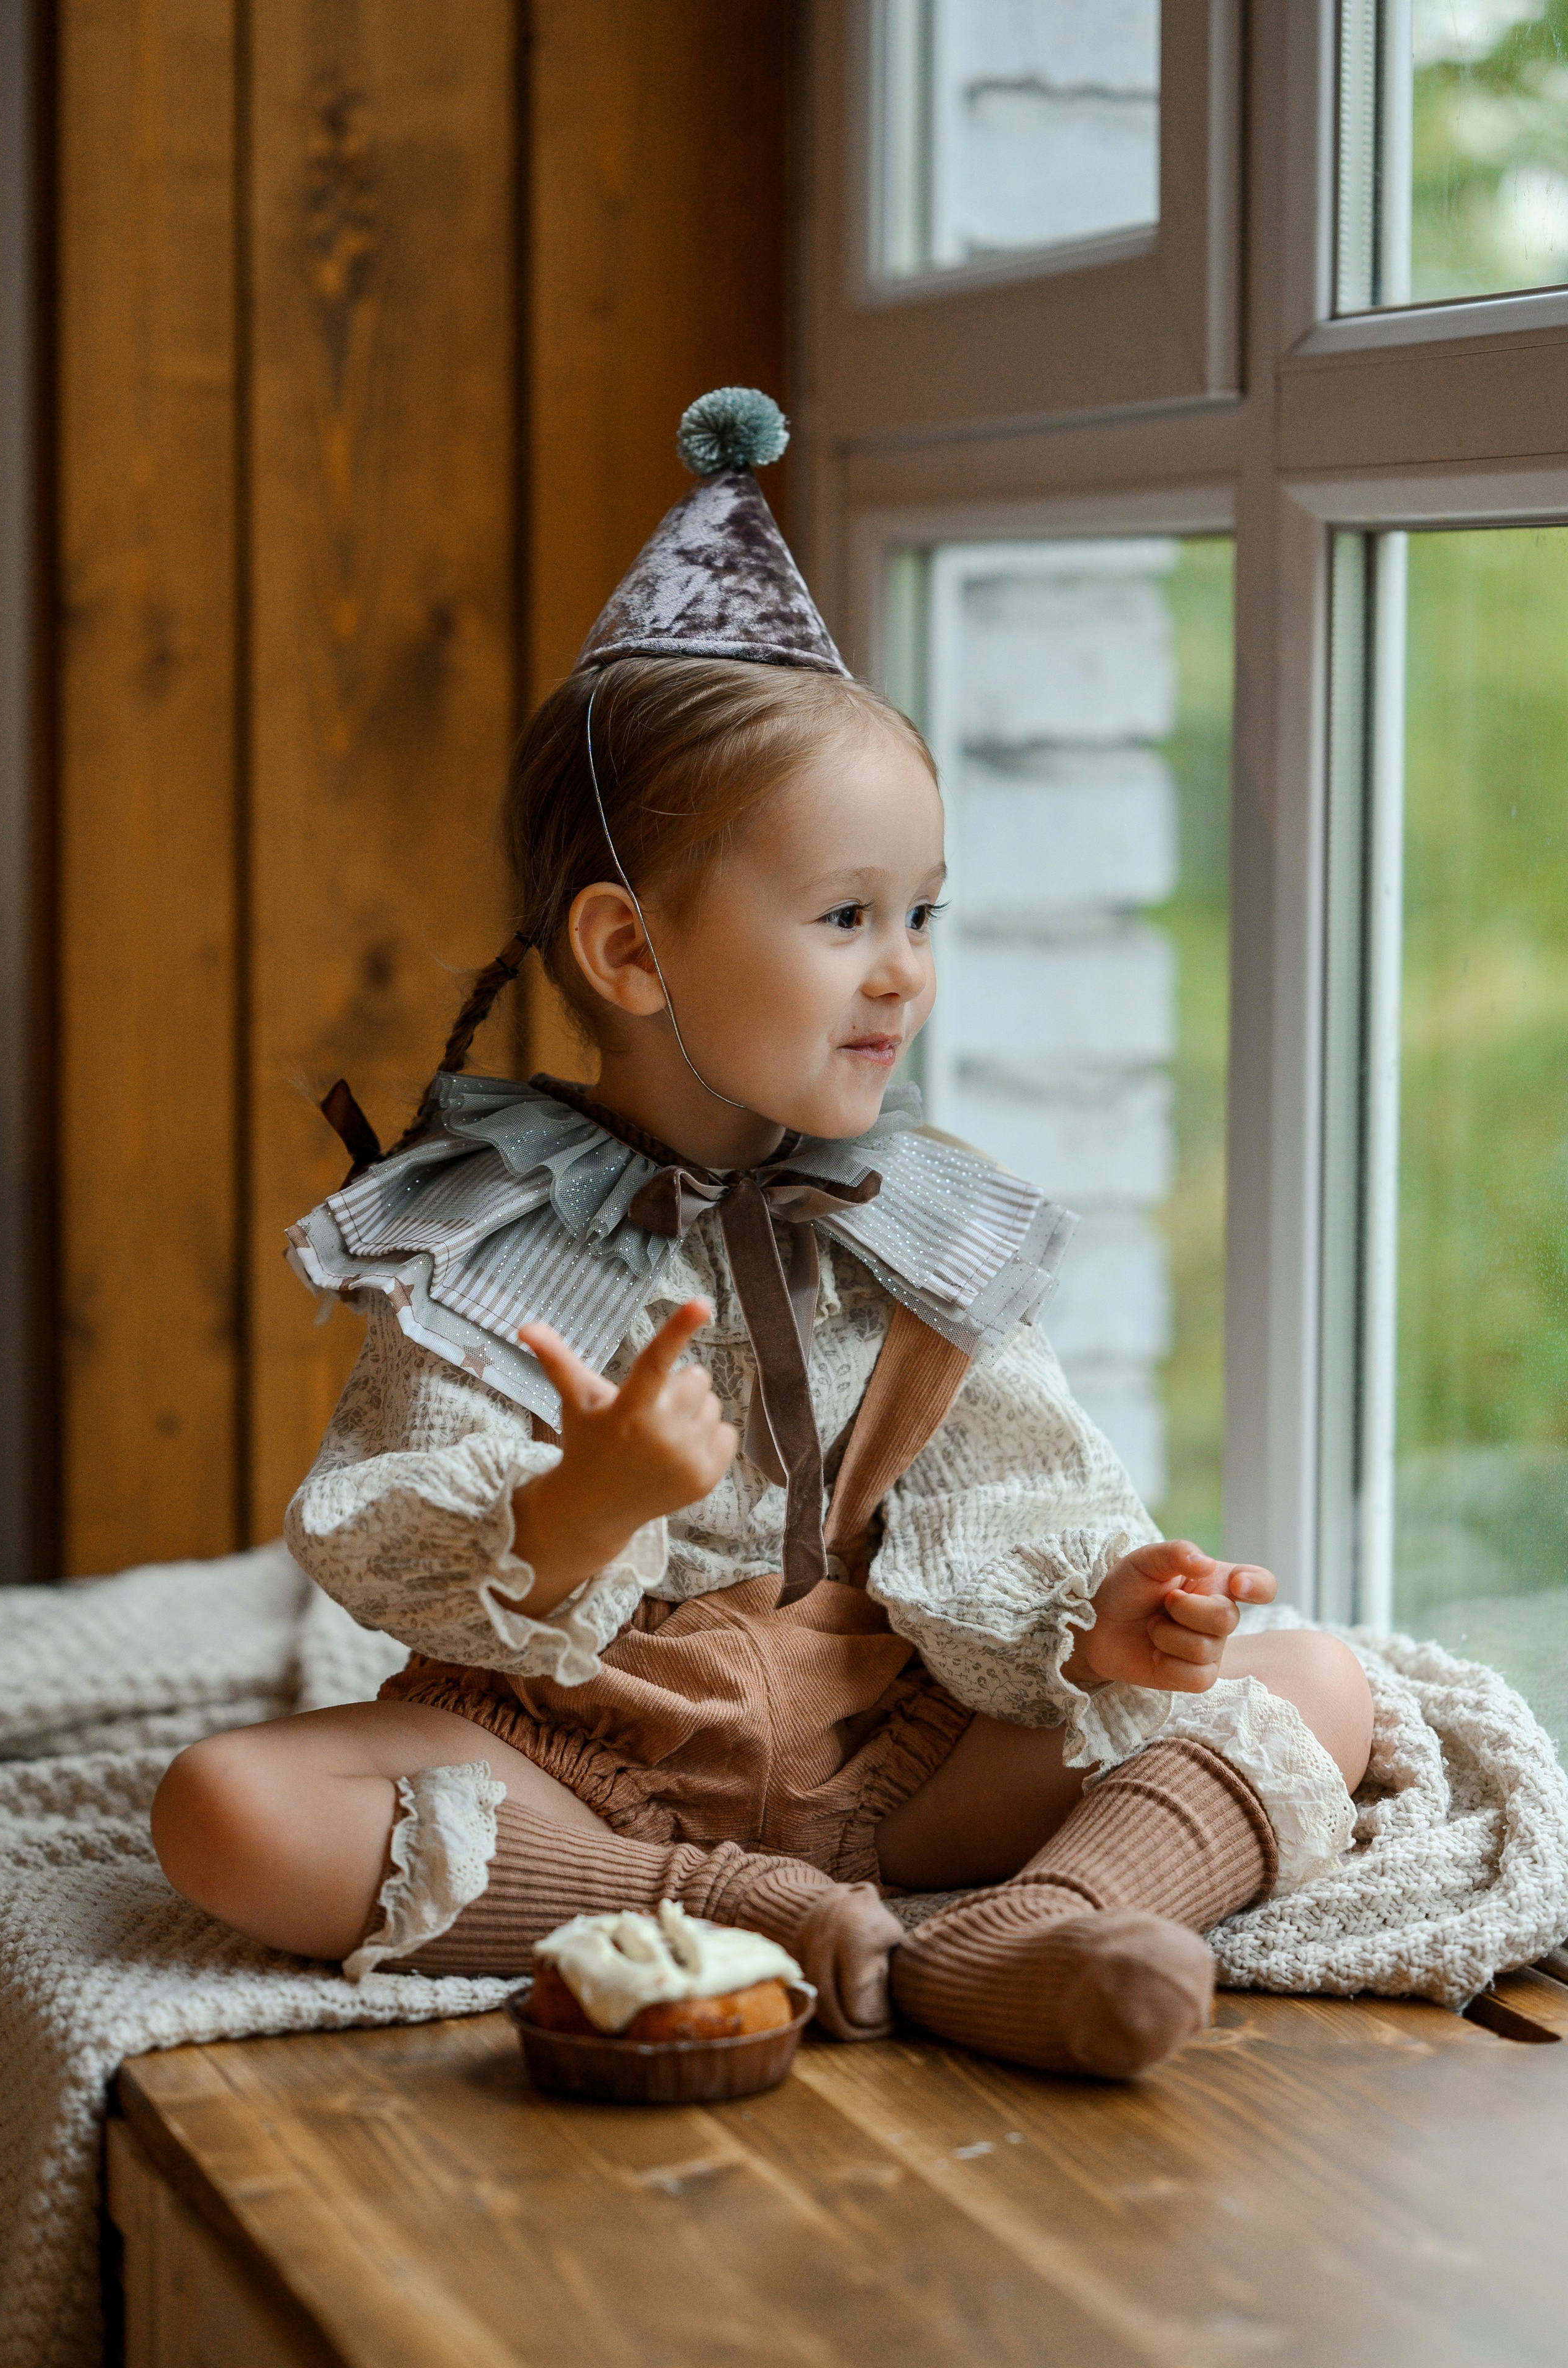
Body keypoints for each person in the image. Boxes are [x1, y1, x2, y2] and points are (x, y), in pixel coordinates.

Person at [153, 390, 1372, 2077]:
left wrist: (1105, 1609)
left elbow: (1013, 1481)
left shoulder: (913, 1216)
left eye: (922, 914)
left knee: (1321, 1685)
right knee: (226, 1809)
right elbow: (390, 1543)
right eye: (847, 917)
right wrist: (583, 1504)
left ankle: (1041, 1921)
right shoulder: (484, 1227)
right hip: (584, 1758)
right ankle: (729, 1909)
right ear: (631, 953)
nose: (906, 971)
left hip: (907, 1739)